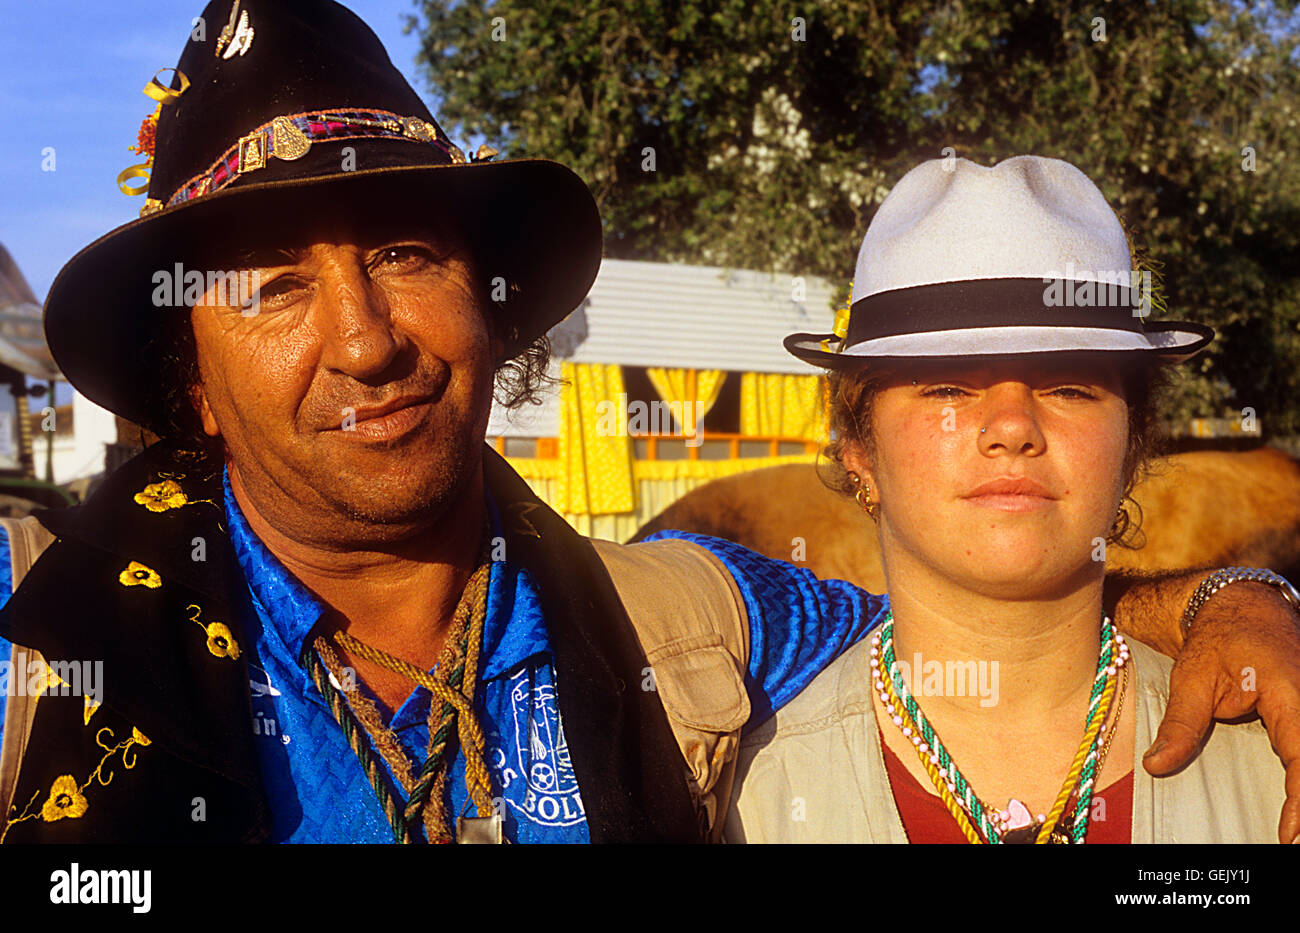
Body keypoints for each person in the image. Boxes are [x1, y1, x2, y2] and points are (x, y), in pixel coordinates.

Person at [1, 1, 1298, 845]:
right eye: (276, 284)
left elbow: (988, 603)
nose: (364, 337)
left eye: (403, 252)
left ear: (493, 306)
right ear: (191, 378)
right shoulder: (38, 685)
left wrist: (1227, 598)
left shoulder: (692, 620)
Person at [723, 154, 1299, 843]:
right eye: (946, 388)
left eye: (1069, 387)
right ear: (858, 448)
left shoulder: (1272, 766)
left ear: (1134, 445)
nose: (1013, 428)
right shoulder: (749, 800)